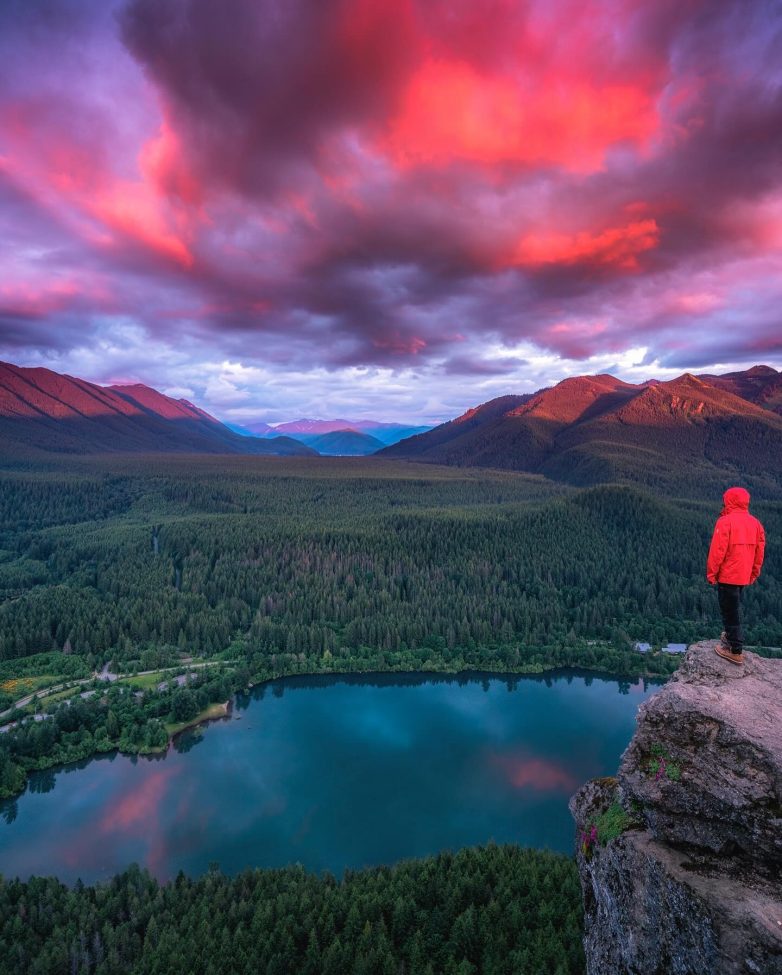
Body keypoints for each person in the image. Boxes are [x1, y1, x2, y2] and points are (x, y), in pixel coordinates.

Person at [706, 486, 765, 665]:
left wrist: (712, 573)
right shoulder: (756, 523)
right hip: (743, 576)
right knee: (734, 607)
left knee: (729, 611)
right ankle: (730, 637)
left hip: (727, 576)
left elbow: (717, 551)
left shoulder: (725, 522)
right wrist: (754, 573)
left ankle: (735, 650)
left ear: (729, 501)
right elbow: (759, 551)